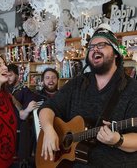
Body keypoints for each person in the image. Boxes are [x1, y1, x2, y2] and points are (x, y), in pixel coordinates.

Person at [37, 25, 137, 168]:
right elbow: (48, 107)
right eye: (91, 46)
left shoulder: (132, 89)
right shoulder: (78, 83)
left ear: (116, 53)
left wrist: (118, 140)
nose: (95, 49)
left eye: (102, 45)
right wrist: (48, 130)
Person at [7, 63, 42, 168]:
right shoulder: (4, 89)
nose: (8, 78)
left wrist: (13, 100)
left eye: (10, 75)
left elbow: (24, 115)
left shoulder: (26, 91)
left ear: (17, 75)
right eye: (6, 75)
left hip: (20, 132)